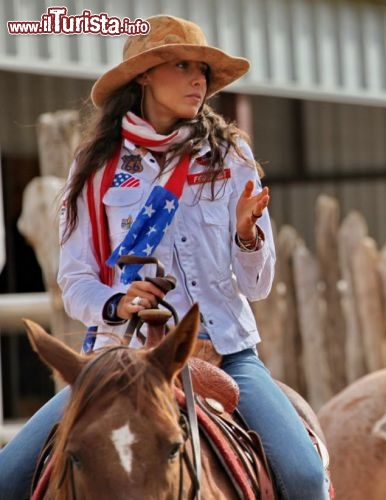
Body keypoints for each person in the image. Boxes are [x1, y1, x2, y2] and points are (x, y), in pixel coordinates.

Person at [0, 15, 328, 500]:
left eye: (203, 70)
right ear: (145, 76)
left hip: (224, 351)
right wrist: (117, 302)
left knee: (303, 477)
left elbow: (257, 287)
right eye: (181, 65)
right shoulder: (97, 168)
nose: (198, 79)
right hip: (117, 359)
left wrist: (245, 236)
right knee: (8, 476)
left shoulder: (230, 157)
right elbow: (75, 280)